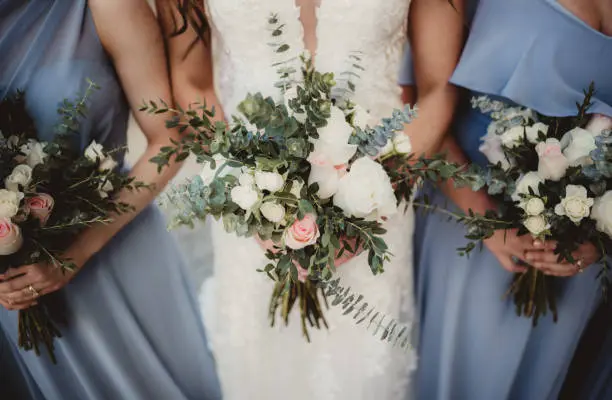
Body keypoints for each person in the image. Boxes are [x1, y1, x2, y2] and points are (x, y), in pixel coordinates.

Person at [157, 0, 464, 398]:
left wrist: (373, 196)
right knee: (261, 370)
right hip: (251, 203)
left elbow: (439, 87)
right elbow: (192, 82)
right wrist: (248, 199)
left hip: (377, 204)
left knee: (363, 371)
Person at [0, 1, 221, 398]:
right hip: (10, 300)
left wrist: (75, 252)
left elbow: (169, 140)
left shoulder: (104, 6)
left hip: (112, 255)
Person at [402, 0, 612, 398]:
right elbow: (430, 101)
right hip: (472, 222)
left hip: (584, 256)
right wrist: (486, 223)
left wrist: (600, 234)